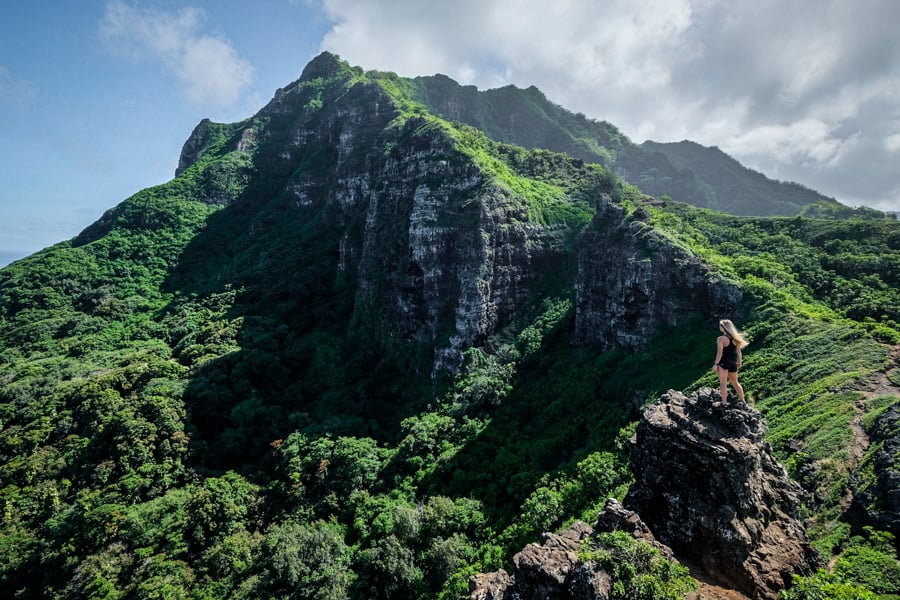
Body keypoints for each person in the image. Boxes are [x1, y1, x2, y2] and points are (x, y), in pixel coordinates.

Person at [712, 318, 748, 405]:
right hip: (733, 362)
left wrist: (716, 364)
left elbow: (719, 353)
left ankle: (724, 403)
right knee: (735, 383)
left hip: (724, 362)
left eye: (720, 325)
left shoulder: (721, 339)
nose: (719, 327)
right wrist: (740, 362)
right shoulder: (736, 339)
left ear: (723, 327)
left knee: (723, 383)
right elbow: (739, 352)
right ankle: (742, 400)